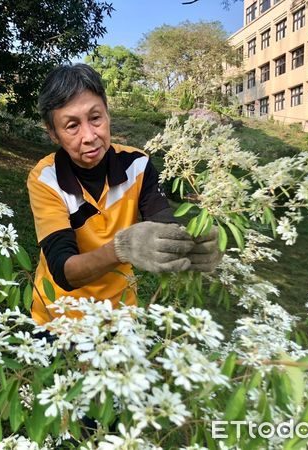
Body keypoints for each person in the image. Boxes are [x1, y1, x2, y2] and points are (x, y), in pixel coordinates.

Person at [27, 64, 221, 325]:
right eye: (72, 125)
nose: (89, 136)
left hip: (119, 316)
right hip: (58, 318)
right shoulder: (45, 179)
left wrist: (192, 247)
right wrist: (122, 249)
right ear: (53, 133)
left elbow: (164, 222)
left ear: (107, 113)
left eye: (95, 118)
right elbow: (63, 270)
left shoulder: (138, 165)